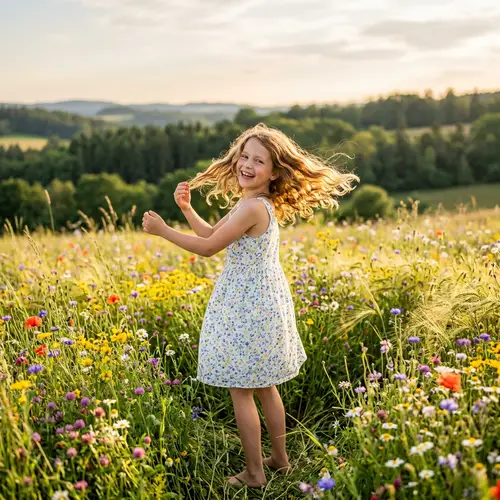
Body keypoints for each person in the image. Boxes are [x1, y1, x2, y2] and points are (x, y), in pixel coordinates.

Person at [141, 123, 358, 489]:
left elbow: (208, 249)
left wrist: (164, 230)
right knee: (265, 386)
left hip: (248, 306)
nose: (247, 164)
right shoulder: (253, 205)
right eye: (244, 155)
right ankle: (280, 460)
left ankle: (256, 473)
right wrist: (187, 210)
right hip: (260, 302)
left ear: (273, 172)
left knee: (242, 391)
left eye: (259, 160)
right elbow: (212, 235)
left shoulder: (252, 208)